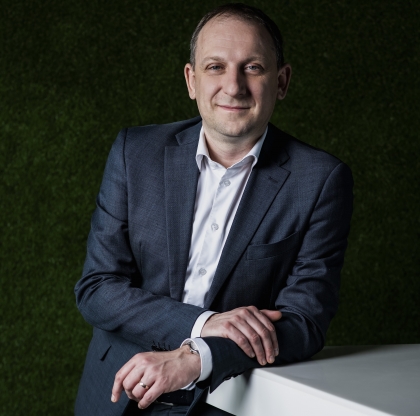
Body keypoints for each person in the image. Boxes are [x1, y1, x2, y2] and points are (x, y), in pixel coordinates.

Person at [74, 3, 353, 416]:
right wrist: (204, 322)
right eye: (215, 67)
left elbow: (303, 322)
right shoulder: (135, 153)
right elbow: (97, 287)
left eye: (253, 67)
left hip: (225, 400)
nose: (233, 86)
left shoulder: (320, 180)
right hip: (117, 392)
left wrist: (198, 355)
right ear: (192, 80)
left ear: (281, 81)